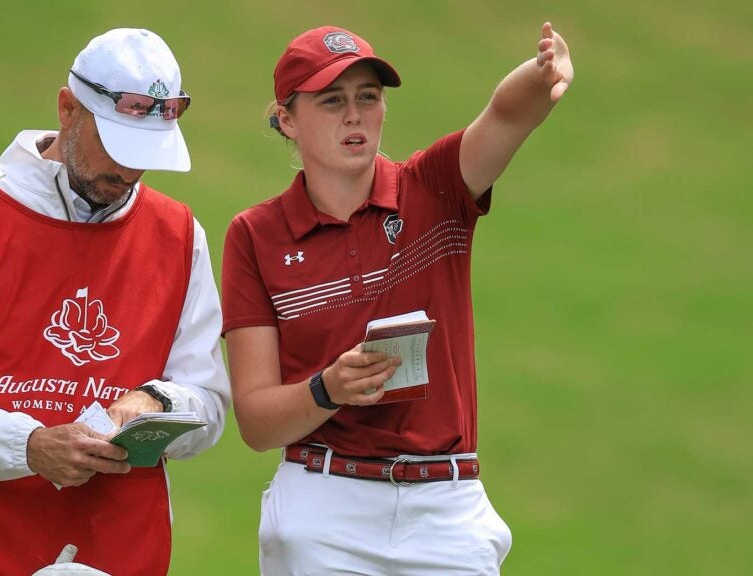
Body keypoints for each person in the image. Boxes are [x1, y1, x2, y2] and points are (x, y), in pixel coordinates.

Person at [221, 22, 573, 574]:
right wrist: (327, 388)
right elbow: (257, 422)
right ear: (286, 118)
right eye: (331, 100)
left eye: (369, 97)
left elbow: (504, 115)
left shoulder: (434, 185)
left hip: (445, 508)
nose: (354, 115)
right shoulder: (255, 235)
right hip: (322, 505)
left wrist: (541, 73)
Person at [0, 28, 230, 576]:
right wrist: (30, 445)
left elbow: (209, 402)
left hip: (122, 541)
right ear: (68, 109)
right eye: (116, 147)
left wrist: (158, 403)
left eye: (147, 153)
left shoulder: (180, 234)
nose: (129, 172)